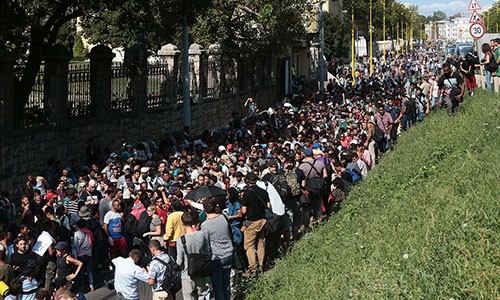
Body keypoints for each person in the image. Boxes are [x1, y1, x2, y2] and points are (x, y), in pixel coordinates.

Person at [200, 198, 233, 300]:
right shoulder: (224, 217)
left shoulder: (205, 225)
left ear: (205, 210)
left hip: (216, 256)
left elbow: (205, 242)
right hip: (229, 252)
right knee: (226, 282)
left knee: (217, 285)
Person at [176, 211, 211, 300]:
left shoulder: (181, 240)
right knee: (202, 295)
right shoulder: (202, 235)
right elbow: (208, 252)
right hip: (201, 271)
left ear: (183, 224)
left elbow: (179, 261)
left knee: (189, 296)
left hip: (187, 275)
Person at [240, 172, 268, 277]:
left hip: (252, 222)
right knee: (260, 243)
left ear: (247, 181)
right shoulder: (263, 191)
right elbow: (268, 205)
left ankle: (252, 268)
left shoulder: (247, 193)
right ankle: (261, 266)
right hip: (263, 220)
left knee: (249, 246)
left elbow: (243, 211)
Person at [298, 148, 327, 228]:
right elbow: (325, 175)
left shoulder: (302, 166)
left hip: (307, 188)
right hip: (318, 187)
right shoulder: (320, 163)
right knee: (318, 206)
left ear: (304, 154)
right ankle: (319, 223)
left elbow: (301, 180)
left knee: (306, 208)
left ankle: (307, 226)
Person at [73, 219, 94, 291]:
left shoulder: (77, 233)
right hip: (88, 253)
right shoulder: (89, 232)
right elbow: (92, 241)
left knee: (81, 271)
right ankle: (91, 285)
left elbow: (75, 245)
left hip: (80, 254)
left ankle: (82, 286)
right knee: (89, 270)